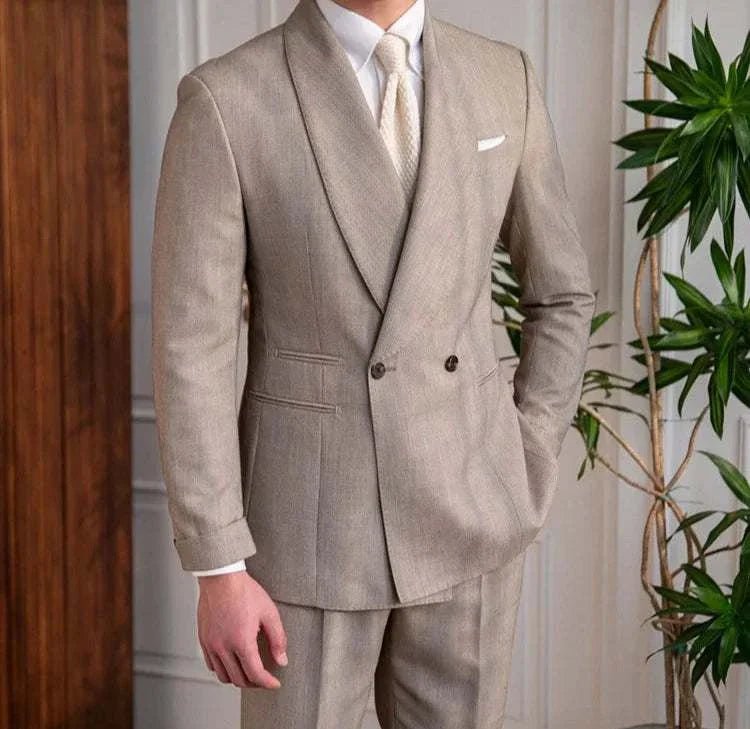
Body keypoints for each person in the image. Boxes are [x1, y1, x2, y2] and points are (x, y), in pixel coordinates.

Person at [150, 0, 596, 726]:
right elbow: (191, 349)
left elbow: (562, 294)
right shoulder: (227, 99)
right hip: (309, 532)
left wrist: (527, 460)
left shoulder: (502, 77)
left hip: (470, 516)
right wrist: (219, 565)